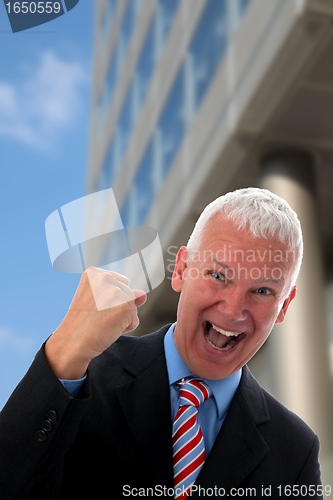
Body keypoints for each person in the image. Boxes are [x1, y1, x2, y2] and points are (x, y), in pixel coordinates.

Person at [0, 187, 323, 499]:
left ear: (284, 305)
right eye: (218, 276)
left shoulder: (295, 449)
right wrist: (65, 349)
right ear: (182, 269)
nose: (233, 309)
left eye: (263, 291)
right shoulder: (82, 376)